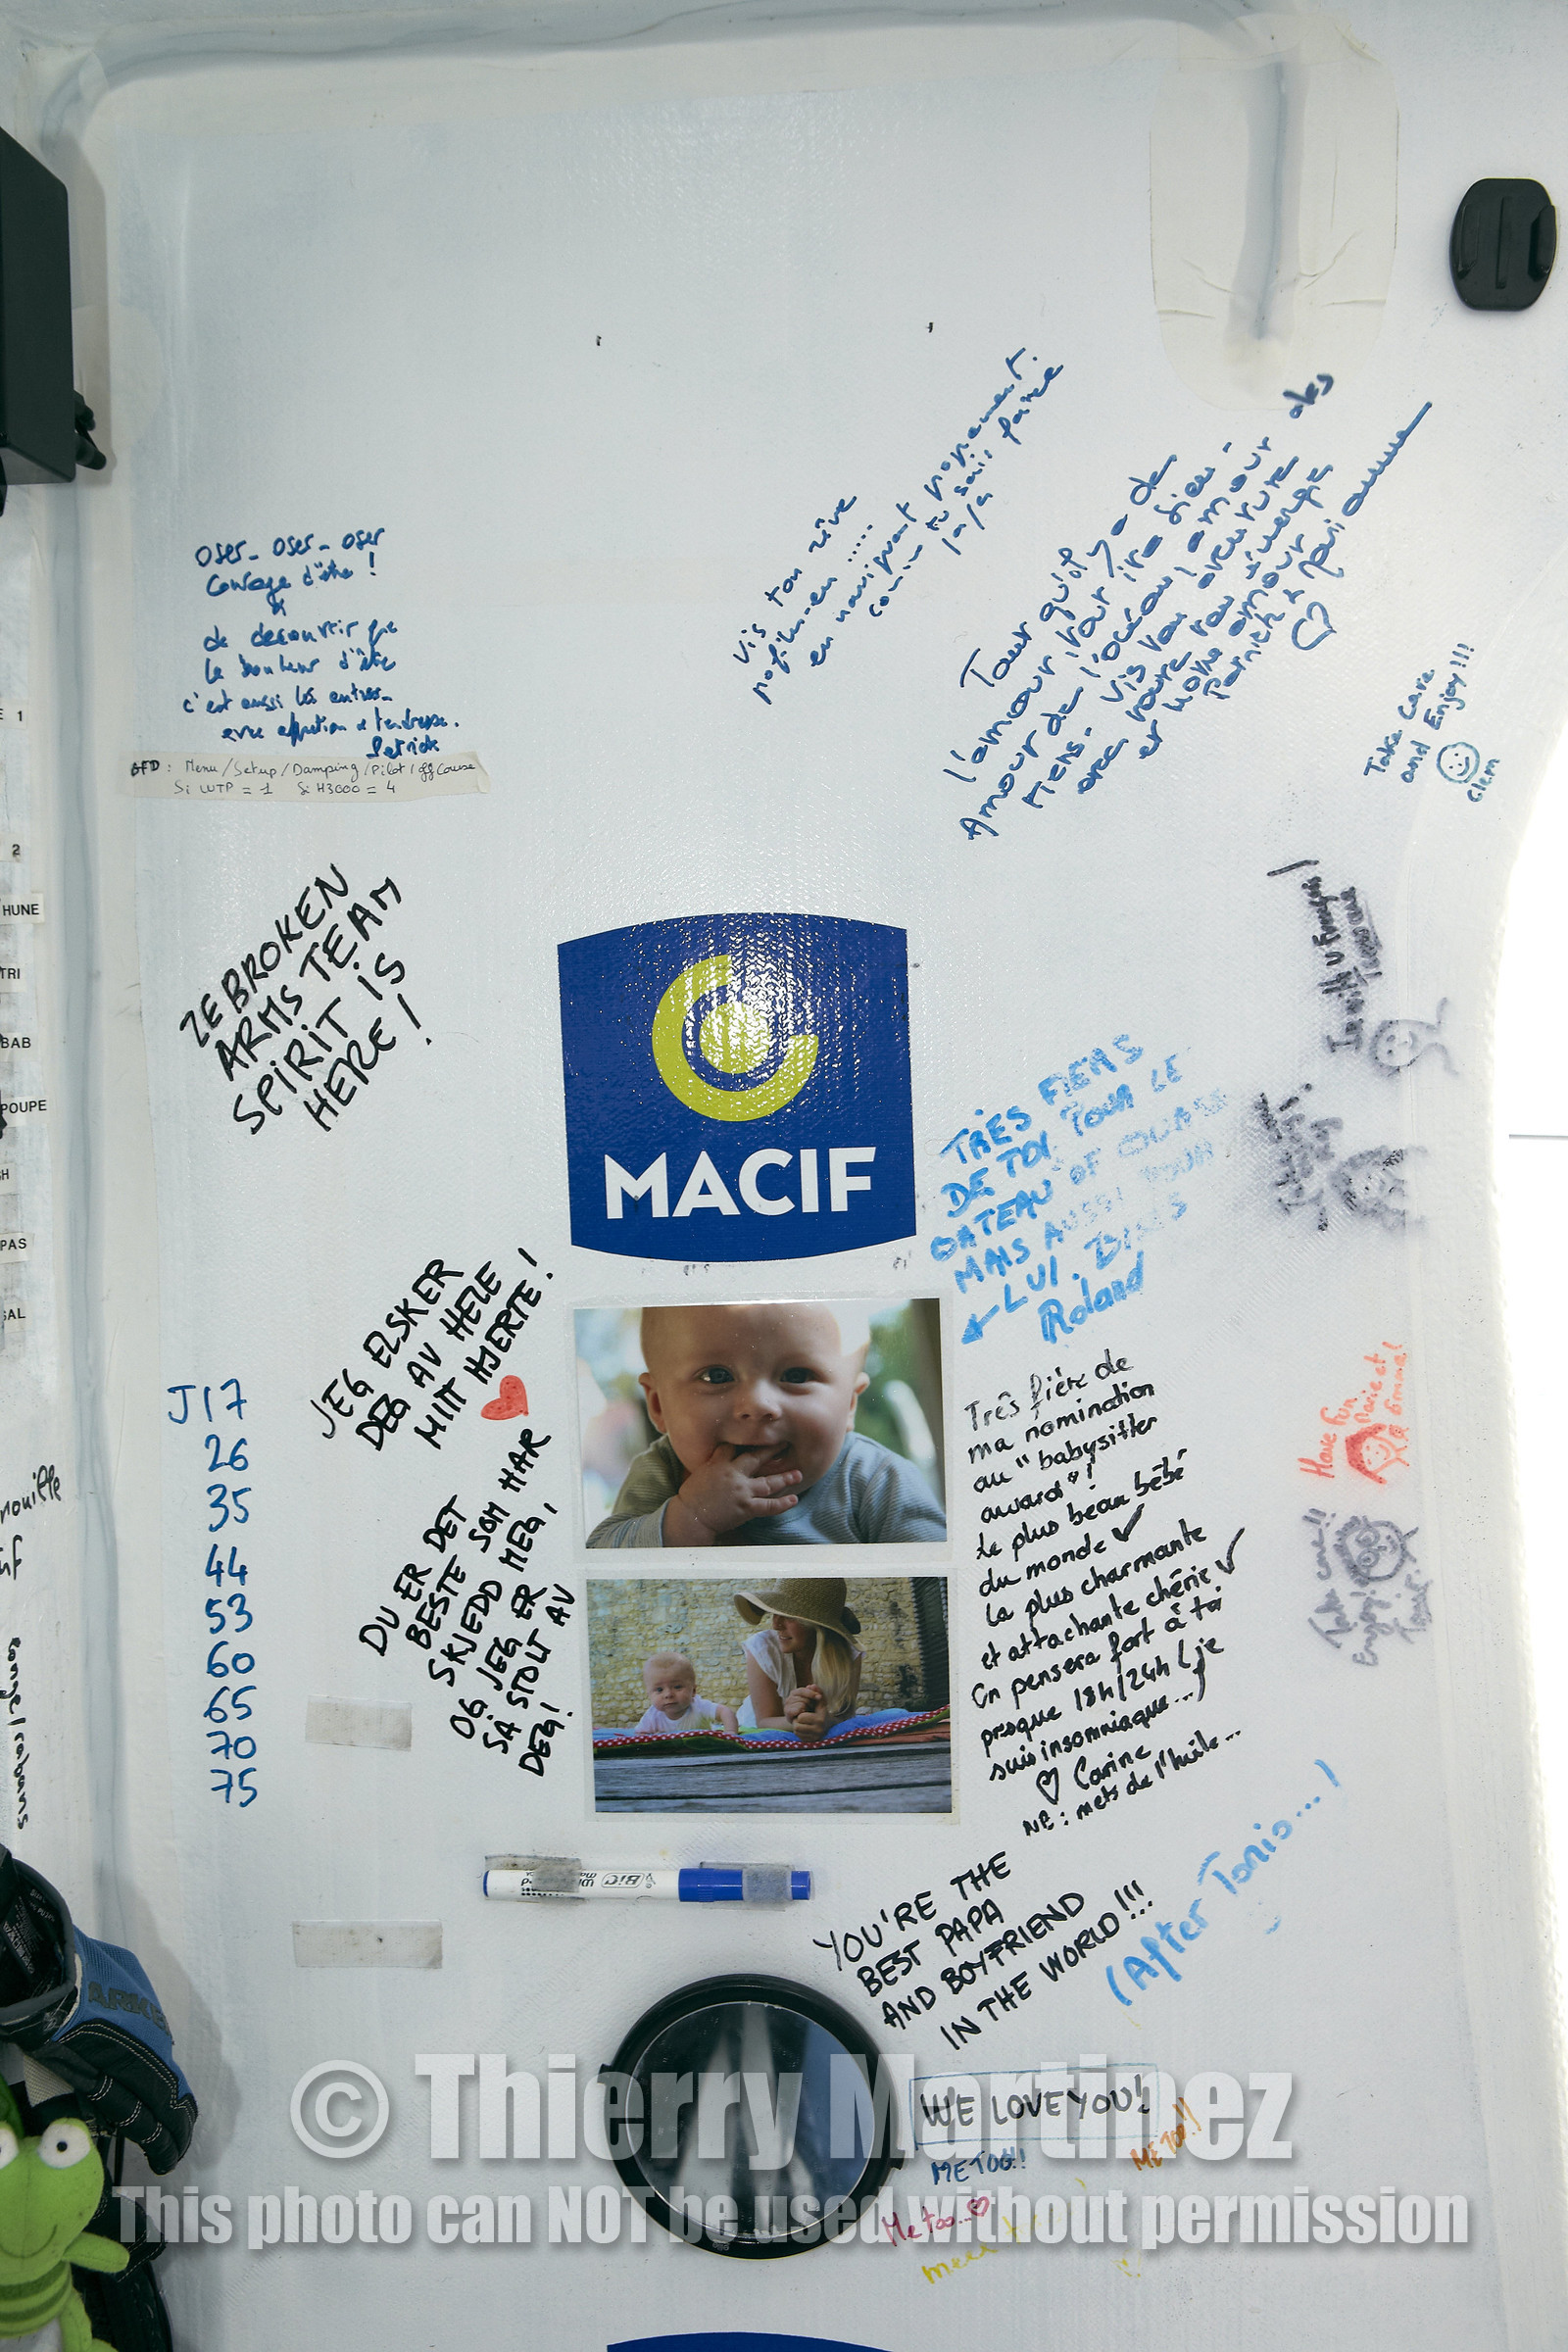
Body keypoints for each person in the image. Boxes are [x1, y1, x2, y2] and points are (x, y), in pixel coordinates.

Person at [585, 1302, 946, 1548]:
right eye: (716, 1376)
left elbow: (941, 1590)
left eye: (797, 1375)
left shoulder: (877, 1481)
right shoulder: (661, 1474)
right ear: (659, 1404)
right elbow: (600, 1562)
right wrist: (690, 1516)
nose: (758, 1406)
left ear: (850, 1403)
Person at [734, 1579, 862, 1743]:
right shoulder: (763, 1648)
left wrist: (826, 1722)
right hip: (759, 1737)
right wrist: (795, 1720)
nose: (775, 1624)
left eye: (788, 1616)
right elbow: (764, 1721)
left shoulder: (848, 1656)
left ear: (817, 1625)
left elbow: (844, 1717)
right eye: (774, 1612)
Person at [632, 1651, 739, 1737]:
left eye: (677, 1687)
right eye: (659, 1690)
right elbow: (640, 1734)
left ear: (693, 1691)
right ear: (649, 1694)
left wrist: (730, 1732)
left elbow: (725, 1712)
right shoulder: (652, 1716)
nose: (668, 1694)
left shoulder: (699, 1707)